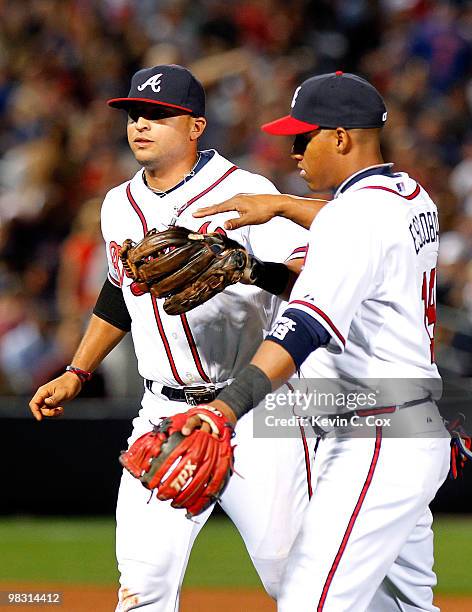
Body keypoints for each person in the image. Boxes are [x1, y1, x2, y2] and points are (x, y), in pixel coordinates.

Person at [28, 64, 314, 611]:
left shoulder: (244, 191)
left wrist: (249, 269)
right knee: (143, 589)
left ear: (196, 127)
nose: (141, 124)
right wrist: (76, 371)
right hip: (163, 412)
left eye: (159, 115)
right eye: (135, 113)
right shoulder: (118, 204)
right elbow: (118, 295)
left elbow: (310, 275)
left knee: (295, 580)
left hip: (253, 408)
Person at [186, 71, 451, 611]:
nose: (292, 151)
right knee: (397, 607)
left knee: (310, 599)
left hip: (374, 434)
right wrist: (281, 210)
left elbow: (303, 326)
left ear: (341, 137)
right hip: (412, 425)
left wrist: (225, 408)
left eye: (302, 137)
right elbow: (351, 234)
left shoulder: (355, 218)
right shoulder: (409, 196)